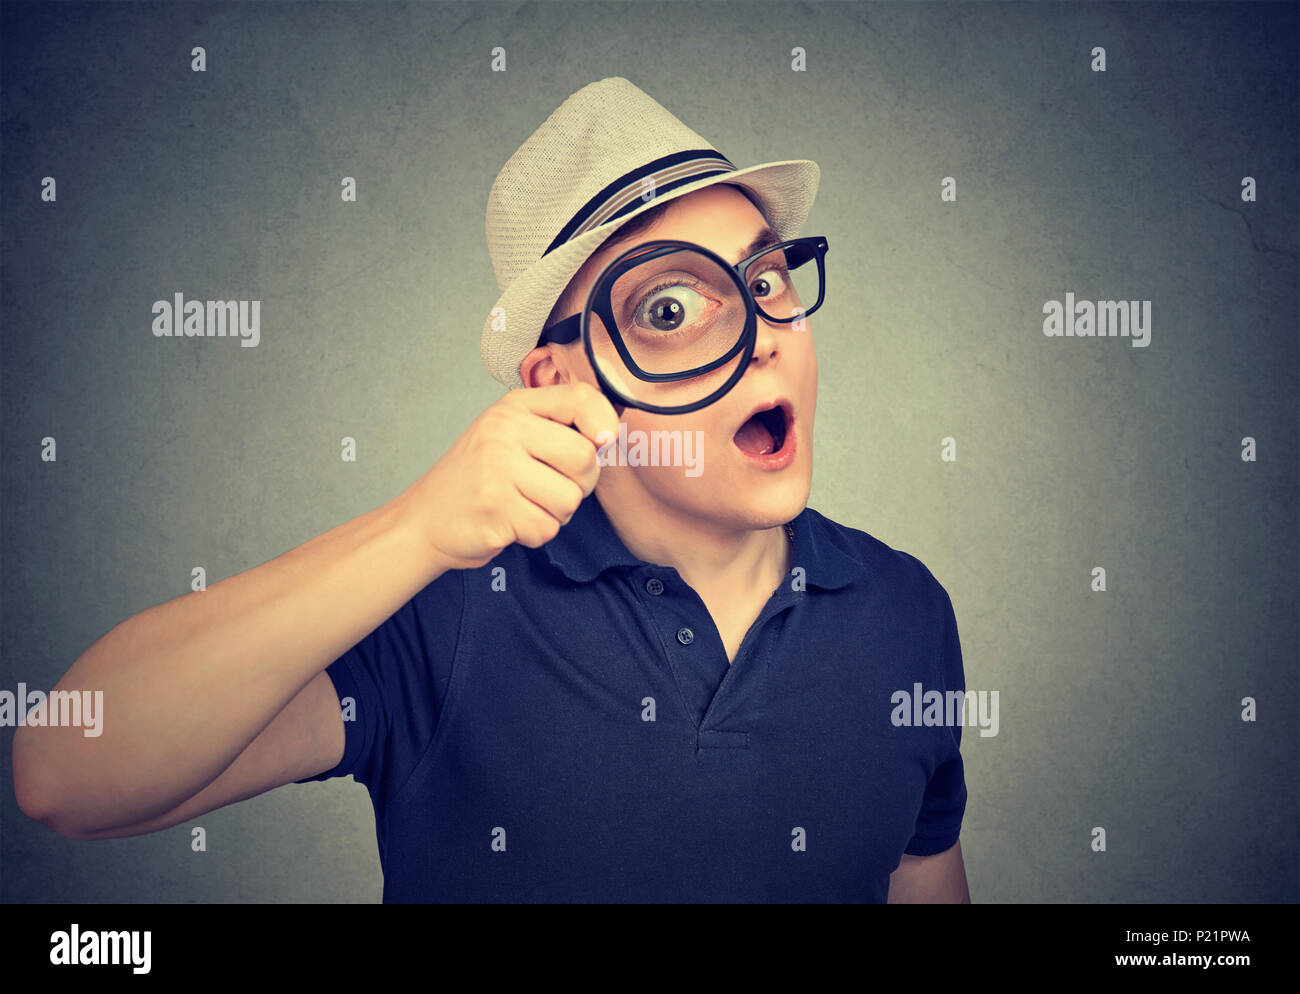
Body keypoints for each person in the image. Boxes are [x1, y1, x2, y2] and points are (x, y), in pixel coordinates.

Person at [13, 77, 970, 903]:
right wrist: (416, 530)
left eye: (765, 279)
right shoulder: (451, 610)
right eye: (671, 309)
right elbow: (64, 774)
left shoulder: (905, 611)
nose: (765, 333)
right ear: (558, 382)